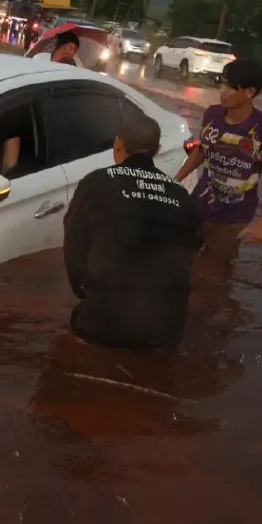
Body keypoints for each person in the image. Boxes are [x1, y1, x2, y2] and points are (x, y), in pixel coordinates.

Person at [63, 107, 200, 351]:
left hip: (103, 321)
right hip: (166, 328)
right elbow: (192, 249)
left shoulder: (96, 183)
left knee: (76, 355)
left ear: (118, 145)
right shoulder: (180, 195)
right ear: (157, 150)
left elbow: (74, 244)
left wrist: (86, 291)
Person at [174, 58, 262, 266]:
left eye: (230, 87)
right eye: (222, 84)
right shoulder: (212, 115)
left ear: (249, 92)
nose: (222, 91)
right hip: (198, 204)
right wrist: (175, 180)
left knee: (214, 275)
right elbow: (202, 150)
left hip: (232, 218)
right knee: (181, 261)